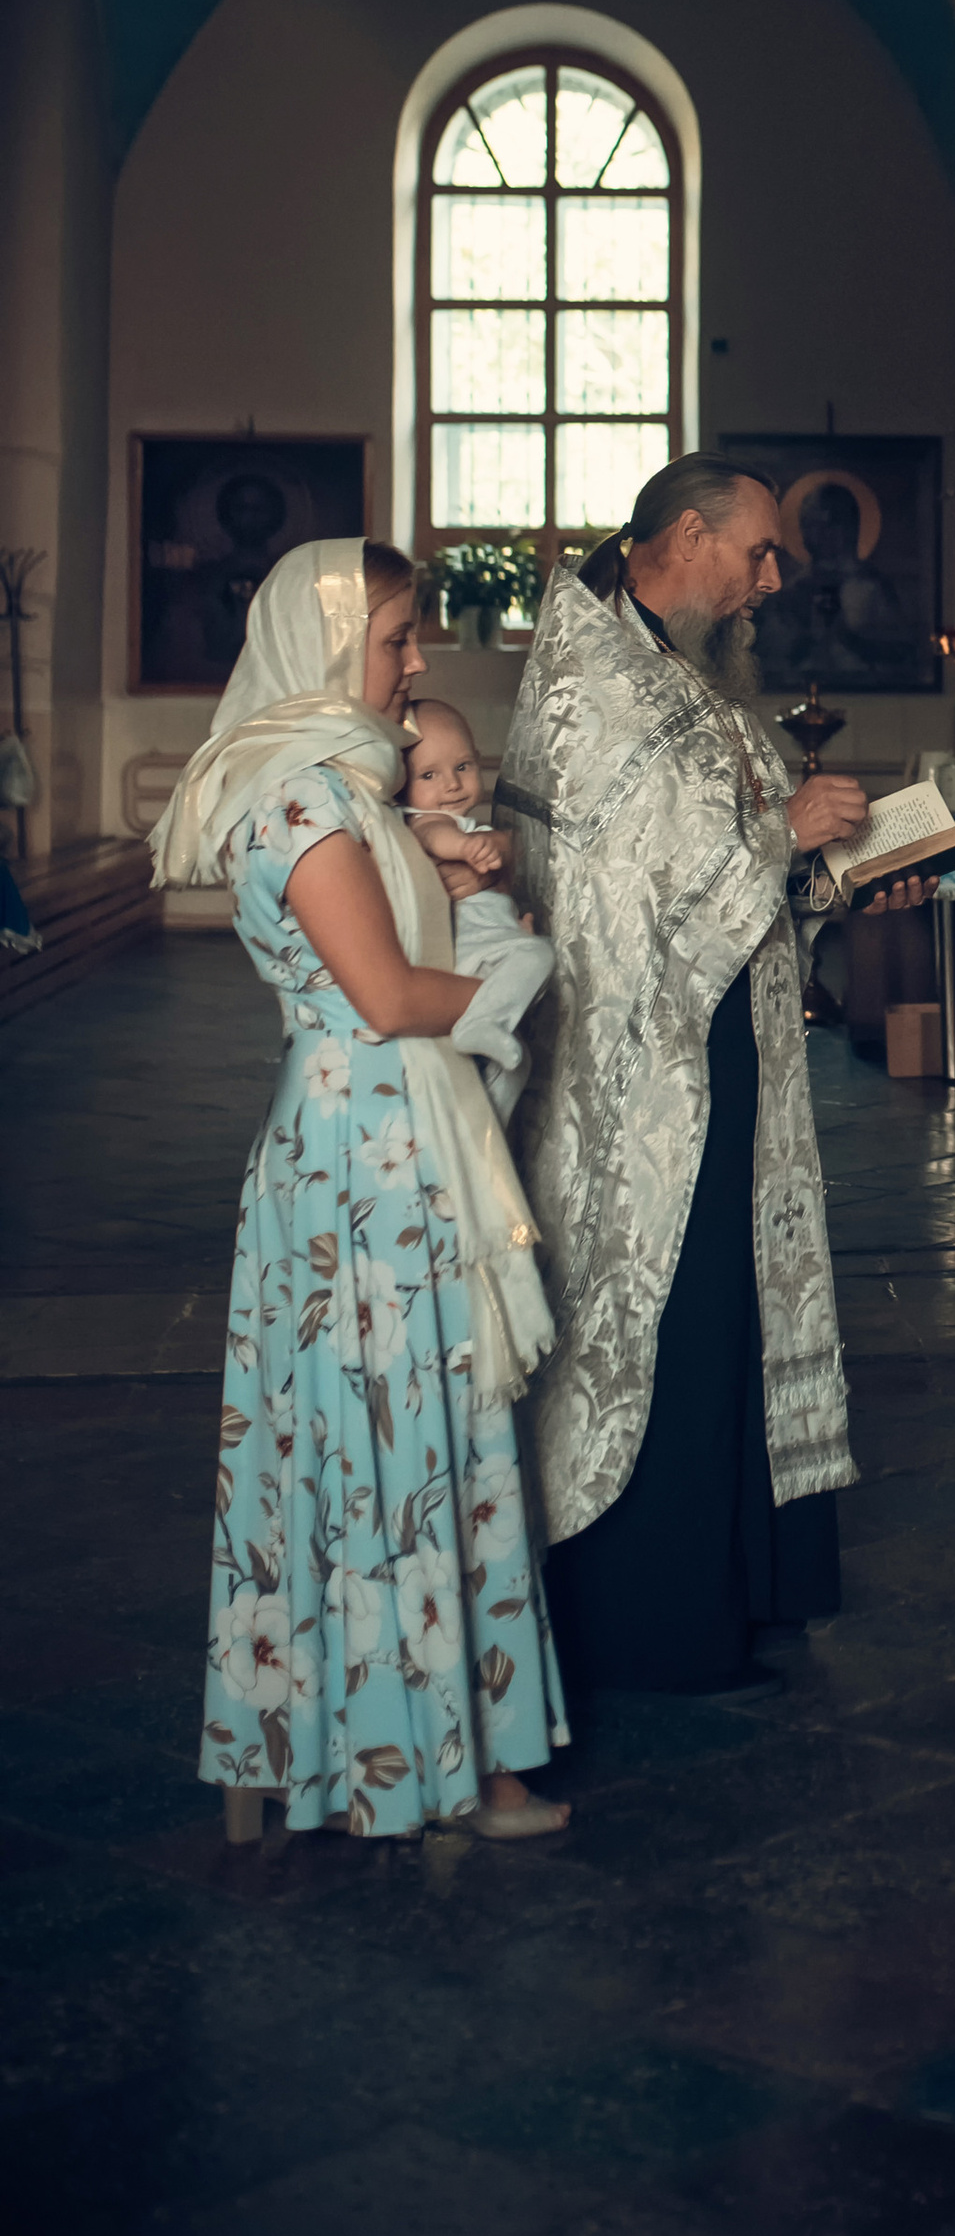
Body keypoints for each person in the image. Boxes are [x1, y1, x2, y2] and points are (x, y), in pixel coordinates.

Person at [152, 540, 568, 1842]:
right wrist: (527, 977)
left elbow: (381, 942)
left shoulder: (337, 788)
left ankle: (350, 1750)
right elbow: (386, 996)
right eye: (396, 637)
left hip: (369, 1134)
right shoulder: (306, 803)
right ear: (328, 646)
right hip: (364, 1151)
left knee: (370, 1440)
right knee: (404, 1438)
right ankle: (421, 1766)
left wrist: (445, 882)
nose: (416, 659)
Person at [498, 455, 933, 1694]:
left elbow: (712, 875)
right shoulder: (590, 691)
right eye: (756, 553)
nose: (772, 580)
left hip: (723, 1043)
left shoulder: (682, 675)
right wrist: (783, 834)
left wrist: (836, 877)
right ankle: (655, 1621)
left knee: (729, 1306)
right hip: (637, 1077)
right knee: (671, 1321)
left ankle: (740, 1588)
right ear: (688, 537)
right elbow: (613, 909)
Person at [399, 698, 554, 1127]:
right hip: (468, 950)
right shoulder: (425, 820)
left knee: (516, 1065)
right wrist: (467, 847)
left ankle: (486, 1135)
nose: (452, 784)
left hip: (488, 945)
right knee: (539, 954)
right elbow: (435, 837)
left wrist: (512, 928)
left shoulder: (468, 826)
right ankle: (482, 1023)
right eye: (429, 775)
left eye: (463, 766)